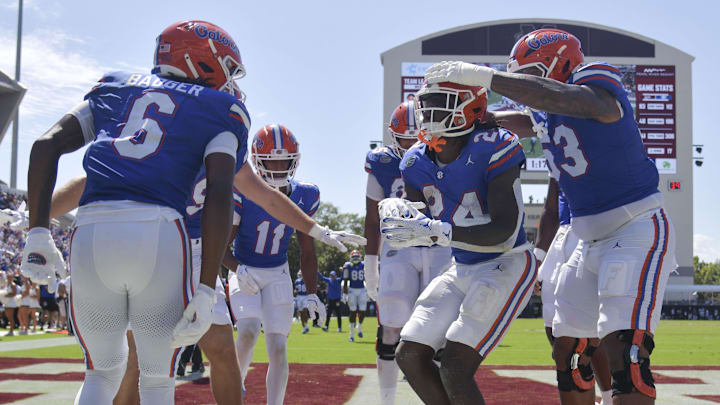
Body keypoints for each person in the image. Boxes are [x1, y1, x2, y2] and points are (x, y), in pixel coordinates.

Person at [425, 28, 676, 405]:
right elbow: (523, 117)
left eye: (532, 74)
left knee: (625, 351)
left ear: (563, 63)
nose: (528, 85)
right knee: (569, 352)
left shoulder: (595, 81)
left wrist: (487, 77)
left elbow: (586, 103)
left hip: (634, 225)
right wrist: (470, 117)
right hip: (584, 237)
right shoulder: (545, 111)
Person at [382, 78, 536, 405]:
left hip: (506, 262)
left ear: (469, 109)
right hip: (462, 265)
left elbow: (505, 231)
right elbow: (418, 217)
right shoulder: (415, 161)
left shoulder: (493, 146)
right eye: (428, 107)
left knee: (454, 366)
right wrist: (399, 211)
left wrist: (439, 231)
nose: (429, 115)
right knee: (409, 355)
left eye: (441, 105)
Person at [224, 124, 353, 405]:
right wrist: (237, 269)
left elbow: (307, 251)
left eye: (285, 160)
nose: (279, 167)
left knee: (279, 348)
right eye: (272, 161)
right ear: (257, 162)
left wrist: (310, 292)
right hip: (245, 268)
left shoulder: (306, 195)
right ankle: (235, 391)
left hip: (278, 272)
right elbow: (221, 246)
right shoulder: (242, 192)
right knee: (246, 332)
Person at [363, 100, 452, 405]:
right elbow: (372, 217)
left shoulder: (446, 154)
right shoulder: (381, 162)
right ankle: (387, 401)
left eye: (418, 137)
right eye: (405, 138)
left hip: (438, 246)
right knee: (391, 327)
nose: (413, 145)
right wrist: (369, 261)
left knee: (439, 334)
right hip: (397, 249)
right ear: (393, 136)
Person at [343, 250, 367, 342]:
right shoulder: (348, 265)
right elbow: (345, 281)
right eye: (354, 257)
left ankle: (359, 326)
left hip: (362, 289)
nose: (356, 259)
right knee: (352, 311)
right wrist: (344, 293)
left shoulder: (364, 264)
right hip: (352, 290)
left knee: (363, 310)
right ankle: (351, 333)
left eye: (357, 257)